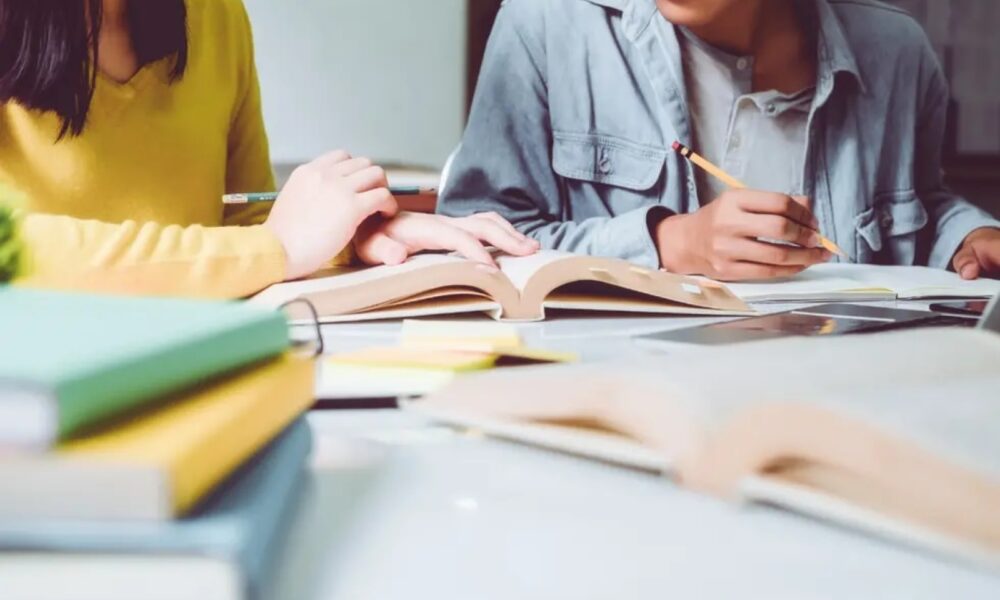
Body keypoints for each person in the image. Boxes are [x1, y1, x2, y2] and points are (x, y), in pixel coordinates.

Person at [0, 0, 537, 298]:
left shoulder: (216, 17)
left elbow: (248, 225)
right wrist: (275, 249)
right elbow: (14, 255)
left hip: (190, 376)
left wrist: (353, 235)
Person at [438, 0, 1000, 281]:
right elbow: (470, 243)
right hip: (626, 399)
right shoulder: (545, 24)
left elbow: (920, 202)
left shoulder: (897, 51)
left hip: (844, 401)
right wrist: (671, 245)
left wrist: (963, 235)